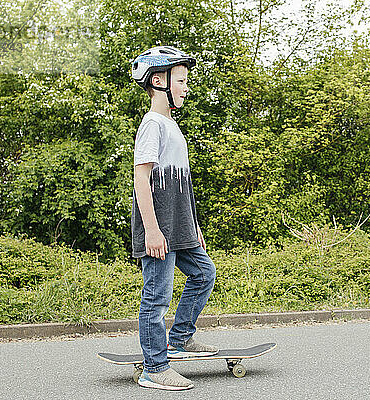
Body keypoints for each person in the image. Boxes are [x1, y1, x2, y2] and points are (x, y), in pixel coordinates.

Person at [130, 45, 217, 391]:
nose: (185, 87)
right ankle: (154, 366)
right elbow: (141, 178)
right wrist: (151, 229)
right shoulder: (152, 124)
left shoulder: (170, 125)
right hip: (160, 230)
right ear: (158, 80)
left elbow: (183, 184)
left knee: (204, 274)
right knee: (157, 296)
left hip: (181, 228)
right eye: (180, 80)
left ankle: (180, 338)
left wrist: (193, 226)